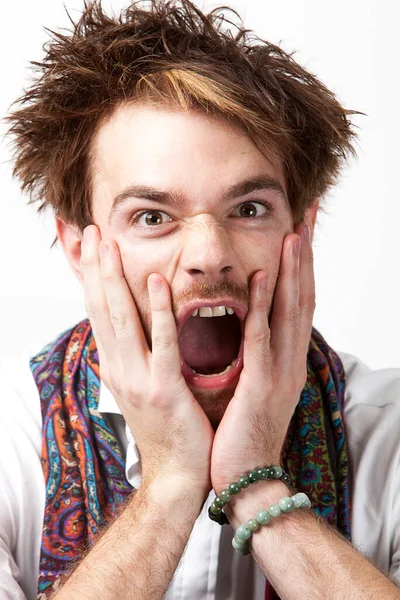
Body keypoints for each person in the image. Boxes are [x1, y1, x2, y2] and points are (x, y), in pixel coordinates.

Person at [1, 0, 400, 598]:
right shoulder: (11, 437)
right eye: (153, 215)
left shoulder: (387, 435)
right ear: (80, 247)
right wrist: (170, 482)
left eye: (249, 209)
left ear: (303, 230)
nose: (209, 254)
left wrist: (255, 485)